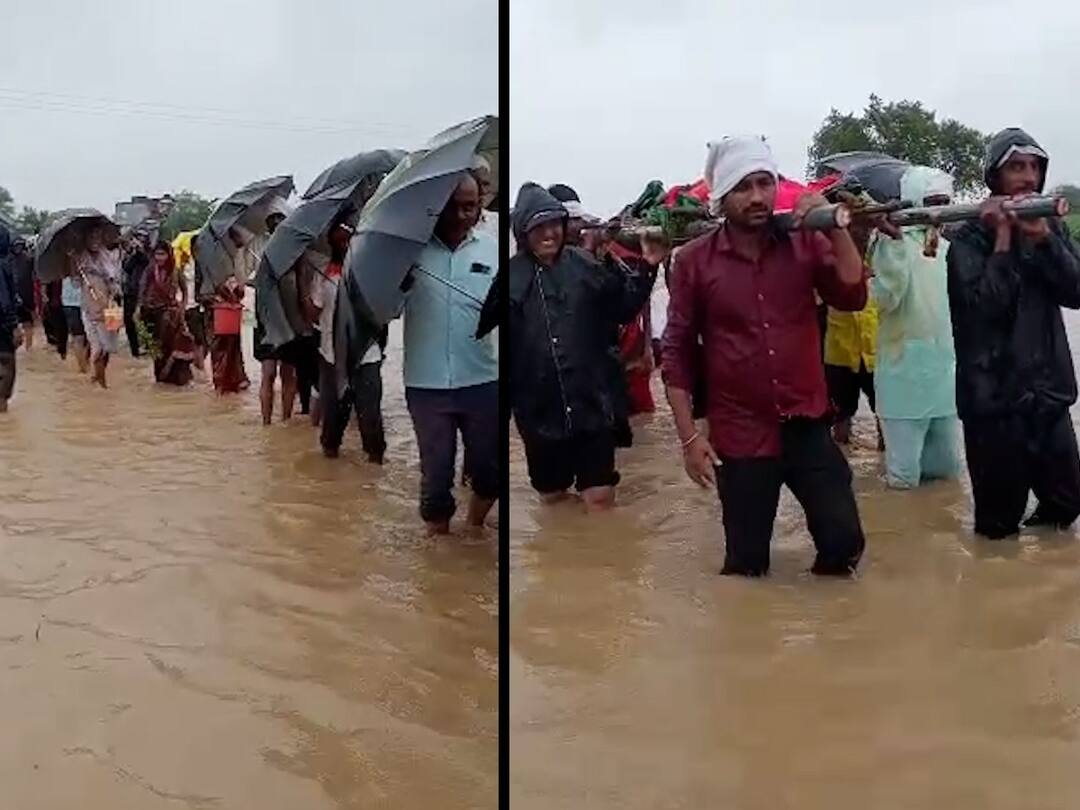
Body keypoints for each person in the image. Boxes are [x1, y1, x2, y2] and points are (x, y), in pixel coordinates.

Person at [662, 135, 868, 577]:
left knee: (844, 544)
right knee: (746, 565)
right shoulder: (695, 262)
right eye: (743, 187)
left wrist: (834, 226)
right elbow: (676, 352)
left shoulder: (805, 243)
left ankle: (830, 633)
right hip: (739, 433)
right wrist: (688, 438)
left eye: (764, 182)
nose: (757, 196)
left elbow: (852, 295)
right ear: (721, 197)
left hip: (808, 422)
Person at [947, 127, 1080, 539]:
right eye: (1016, 167)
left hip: (1048, 394)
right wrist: (1003, 239)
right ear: (995, 178)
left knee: (1066, 507)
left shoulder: (1050, 229)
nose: (1027, 177)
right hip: (993, 404)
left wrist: (1045, 242)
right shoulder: (966, 241)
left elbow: (1076, 293)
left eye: (1034, 168)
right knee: (998, 529)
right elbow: (986, 309)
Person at [508, 183, 658, 510]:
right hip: (539, 414)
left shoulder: (585, 264)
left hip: (591, 404)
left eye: (554, 224)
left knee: (600, 497)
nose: (549, 233)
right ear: (522, 230)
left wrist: (648, 267)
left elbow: (624, 308)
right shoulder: (509, 279)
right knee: (554, 500)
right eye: (538, 226)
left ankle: (602, 560)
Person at [402, 171, 499, 535]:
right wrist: (400, 285)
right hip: (425, 384)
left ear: (480, 207)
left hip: (483, 379)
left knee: (490, 472)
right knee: (436, 476)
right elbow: (385, 311)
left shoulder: (492, 250)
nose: (462, 215)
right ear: (437, 208)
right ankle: (438, 553)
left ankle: (475, 527)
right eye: (453, 207)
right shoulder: (410, 253)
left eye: (470, 207)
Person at [868, 166, 960, 489]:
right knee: (904, 478)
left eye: (945, 202)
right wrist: (891, 246)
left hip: (944, 379)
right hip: (903, 378)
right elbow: (884, 300)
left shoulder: (949, 250)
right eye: (933, 201)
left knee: (948, 472)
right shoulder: (891, 244)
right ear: (915, 200)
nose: (939, 210)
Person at [313, 222, 388, 461]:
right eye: (339, 241)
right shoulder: (322, 274)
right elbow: (312, 314)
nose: (345, 245)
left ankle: (375, 469)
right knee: (332, 423)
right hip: (331, 355)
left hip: (367, 354)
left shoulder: (372, 272)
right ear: (332, 243)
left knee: (371, 419)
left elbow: (385, 311)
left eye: (349, 239)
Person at [253, 207, 299, 423]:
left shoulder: (296, 256)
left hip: (289, 320)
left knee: (288, 374)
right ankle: (266, 422)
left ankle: (286, 422)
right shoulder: (263, 256)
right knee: (268, 373)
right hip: (266, 321)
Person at [136, 240, 194, 386]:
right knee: (158, 350)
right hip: (153, 315)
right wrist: (138, 309)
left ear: (169, 255)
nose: (159, 258)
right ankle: (161, 380)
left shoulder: (176, 271)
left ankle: (178, 380)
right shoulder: (149, 270)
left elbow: (185, 291)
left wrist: (182, 307)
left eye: (162, 254)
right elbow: (142, 290)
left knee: (176, 348)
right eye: (157, 254)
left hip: (172, 316)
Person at [73, 226, 123, 389]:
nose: (95, 240)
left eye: (97, 237)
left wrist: (111, 284)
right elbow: (75, 282)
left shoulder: (109, 258)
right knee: (98, 348)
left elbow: (116, 281)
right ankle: (101, 382)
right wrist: (76, 266)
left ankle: (100, 375)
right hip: (90, 309)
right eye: (91, 237)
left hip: (111, 307)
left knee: (110, 347)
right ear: (86, 240)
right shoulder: (80, 260)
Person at [208, 228, 252, 394]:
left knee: (232, 345)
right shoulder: (215, 260)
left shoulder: (238, 258)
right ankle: (222, 381)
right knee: (221, 346)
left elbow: (241, 287)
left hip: (230, 312)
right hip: (218, 311)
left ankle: (232, 380)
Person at [0, 228, 22, 412]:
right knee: (7, 361)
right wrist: (14, 325)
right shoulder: (3, 265)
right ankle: (2, 404)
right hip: (2, 324)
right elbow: (4, 300)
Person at [121, 236, 149, 357]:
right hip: (129, 292)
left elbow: (145, 261)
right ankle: (135, 348)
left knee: (144, 319)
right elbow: (126, 268)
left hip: (142, 291)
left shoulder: (145, 254)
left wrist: (139, 251)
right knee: (129, 321)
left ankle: (146, 344)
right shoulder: (125, 254)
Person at [61, 271, 89, 373]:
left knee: (80, 337)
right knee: (81, 337)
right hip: (76, 303)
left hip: (73, 303)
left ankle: (84, 367)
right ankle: (84, 367)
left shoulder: (63, 261)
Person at [11, 238, 34, 351]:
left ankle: (28, 348)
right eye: (16, 246)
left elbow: (35, 276)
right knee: (14, 323)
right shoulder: (9, 260)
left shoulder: (29, 259)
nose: (18, 248)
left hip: (26, 295)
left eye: (20, 245)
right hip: (13, 296)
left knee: (27, 322)